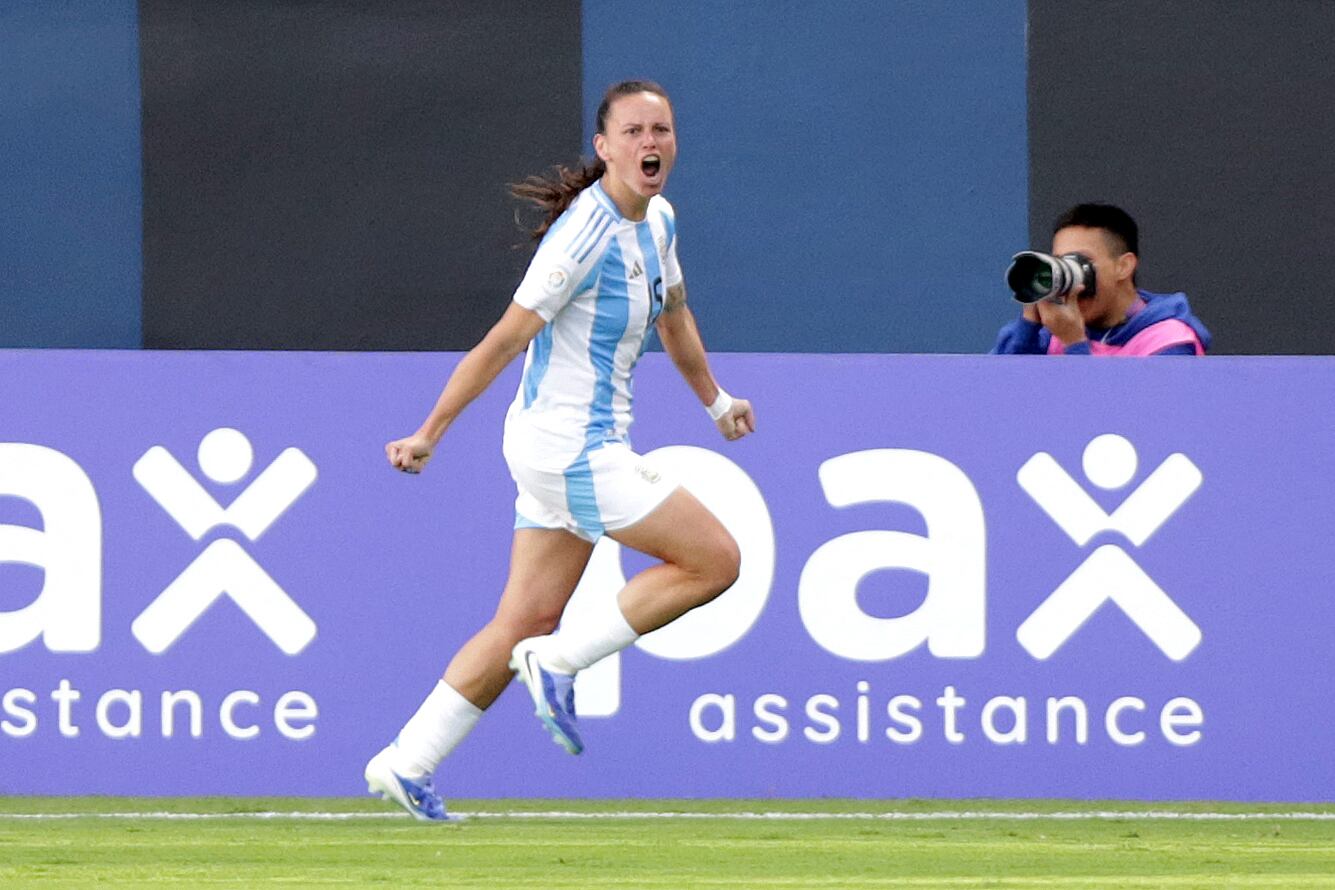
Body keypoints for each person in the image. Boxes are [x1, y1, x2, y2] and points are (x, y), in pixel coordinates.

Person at [363, 80, 754, 820]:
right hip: (566, 447)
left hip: (569, 447)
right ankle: (563, 661)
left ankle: (405, 762)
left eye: (661, 130)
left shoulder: (658, 221)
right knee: (715, 561)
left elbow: (673, 315)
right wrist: (429, 432)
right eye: (634, 131)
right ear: (604, 148)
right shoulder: (583, 233)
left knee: (522, 620)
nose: (650, 143)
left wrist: (714, 400)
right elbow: (505, 339)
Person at [991, 203, 1211, 355]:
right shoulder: (1056, 331)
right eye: (1061, 262)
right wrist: (1028, 326)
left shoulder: (1168, 341)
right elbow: (994, 395)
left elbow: (1123, 418)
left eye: (1080, 262)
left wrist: (1075, 345)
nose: (1071, 277)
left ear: (1123, 266)